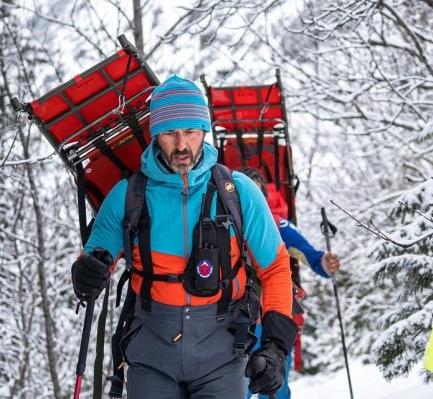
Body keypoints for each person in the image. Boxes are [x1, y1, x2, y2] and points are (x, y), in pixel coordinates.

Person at [70, 75, 298, 399]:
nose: (181, 145)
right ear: (154, 136)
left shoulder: (239, 192)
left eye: (190, 132)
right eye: (169, 133)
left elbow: (275, 269)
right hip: (151, 351)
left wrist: (275, 346)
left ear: (204, 131)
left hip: (223, 349)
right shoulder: (129, 195)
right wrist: (85, 273)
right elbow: (94, 259)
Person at [239, 167, 341, 399]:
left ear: (266, 198)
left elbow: (310, 255)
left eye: (258, 194)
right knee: (236, 387)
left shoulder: (278, 226)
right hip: (235, 320)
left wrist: (325, 263)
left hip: (272, 318)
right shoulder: (219, 224)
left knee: (274, 387)